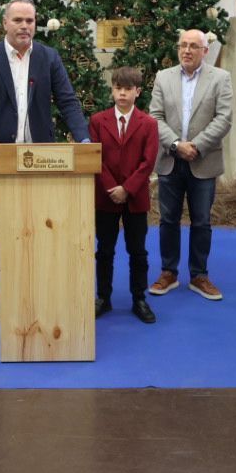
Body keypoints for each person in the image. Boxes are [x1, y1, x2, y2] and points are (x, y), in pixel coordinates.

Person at [0, 0, 90, 214]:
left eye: (30, 21)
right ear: (4, 23)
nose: (24, 26)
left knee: (43, 223)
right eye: (18, 20)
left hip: (42, 160)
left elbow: (68, 102)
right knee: (9, 228)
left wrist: (84, 139)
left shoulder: (49, 57)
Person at [147, 28, 233, 301]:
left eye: (194, 46)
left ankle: (199, 275)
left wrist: (196, 146)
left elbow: (224, 118)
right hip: (170, 159)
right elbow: (155, 117)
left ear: (205, 51)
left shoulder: (221, 78)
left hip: (203, 160)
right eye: (183, 45)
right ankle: (168, 272)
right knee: (168, 220)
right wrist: (176, 145)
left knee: (202, 221)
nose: (187, 50)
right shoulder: (163, 77)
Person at [91, 67, 158, 324]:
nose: (122, 93)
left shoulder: (149, 124)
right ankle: (103, 298)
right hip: (106, 197)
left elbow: (148, 162)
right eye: (118, 88)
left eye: (128, 89)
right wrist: (112, 188)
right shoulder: (98, 121)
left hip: (135, 198)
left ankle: (139, 298)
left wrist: (127, 189)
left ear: (137, 92)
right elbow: (96, 158)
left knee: (137, 251)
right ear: (112, 90)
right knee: (104, 250)